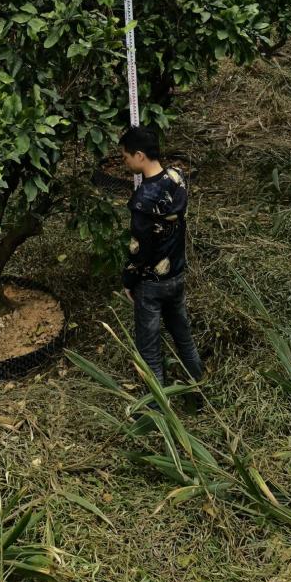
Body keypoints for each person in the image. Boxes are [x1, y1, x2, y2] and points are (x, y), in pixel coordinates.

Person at [119, 124, 204, 396]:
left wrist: (128, 280)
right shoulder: (177, 178)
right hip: (177, 275)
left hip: (152, 285)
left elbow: (139, 250)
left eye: (126, 156)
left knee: (150, 352)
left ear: (140, 155)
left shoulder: (143, 201)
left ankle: (156, 412)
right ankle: (198, 391)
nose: (125, 162)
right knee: (184, 338)